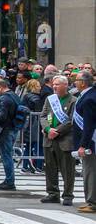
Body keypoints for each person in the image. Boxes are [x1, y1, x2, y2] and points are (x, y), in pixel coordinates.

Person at [40, 74, 76, 205]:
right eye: (53, 84)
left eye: (57, 84)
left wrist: (57, 131)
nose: (54, 87)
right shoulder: (50, 99)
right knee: (50, 167)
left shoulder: (73, 100)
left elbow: (71, 120)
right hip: (49, 138)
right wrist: (48, 129)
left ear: (65, 85)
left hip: (65, 139)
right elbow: (43, 116)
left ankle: (68, 195)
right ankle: (52, 193)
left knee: (67, 169)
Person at [71, 71, 96, 214]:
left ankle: (92, 202)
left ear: (83, 82)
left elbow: (89, 125)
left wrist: (83, 145)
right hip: (89, 140)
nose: (74, 82)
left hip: (91, 142)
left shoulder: (89, 99)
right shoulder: (86, 95)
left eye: (77, 79)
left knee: (90, 171)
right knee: (89, 170)